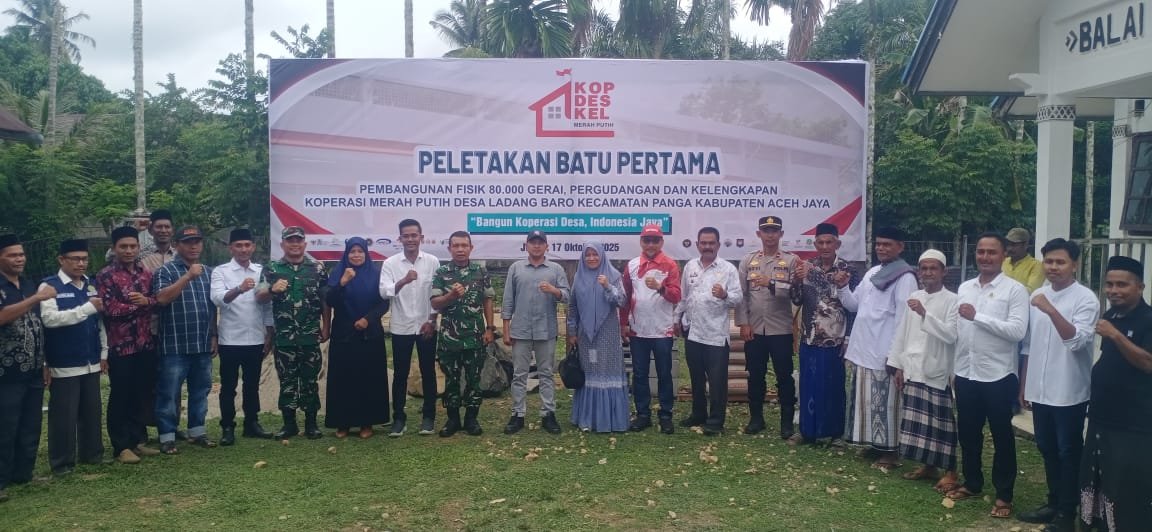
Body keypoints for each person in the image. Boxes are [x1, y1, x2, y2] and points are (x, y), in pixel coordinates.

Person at [1015, 238, 1098, 531]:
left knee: (1068, 451)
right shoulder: (1039, 294)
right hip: (1040, 388)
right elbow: (1028, 345)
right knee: (1046, 447)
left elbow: (1076, 342)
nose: (1053, 267)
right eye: (1048, 261)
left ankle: (1067, 512)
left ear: (1074, 264)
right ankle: (1053, 502)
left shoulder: (1086, 299)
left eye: (1060, 262)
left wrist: (1050, 310)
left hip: (1069, 391)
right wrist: (1024, 385)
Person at [946, 232, 1029, 520]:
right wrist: (955, 368)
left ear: (1004, 254)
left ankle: (1004, 494)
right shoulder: (965, 287)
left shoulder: (1015, 290)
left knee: (1002, 436)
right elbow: (959, 332)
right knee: (968, 433)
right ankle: (972, 482)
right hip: (966, 373)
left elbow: (1017, 331)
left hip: (998, 375)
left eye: (991, 252)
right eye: (981, 251)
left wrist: (977, 316)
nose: (985, 257)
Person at [1080, 256, 1152, 532]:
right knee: (1099, 479)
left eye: (1122, 285)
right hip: (1102, 415)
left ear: (1140, 287)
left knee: (1128, 486)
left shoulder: (1147, 319)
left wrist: (1116, 335)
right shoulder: (1111, 316)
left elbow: (1147, 363)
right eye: (1109, 284)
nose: (1113, 290)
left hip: (1132, 422)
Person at [837, 226, 918, 467]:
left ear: (900, 247)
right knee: (867, 402)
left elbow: (904, 320)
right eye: (879, 244)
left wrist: (896, 356)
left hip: (884, 353)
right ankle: (874, 445)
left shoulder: (905, 277)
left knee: (887, 404)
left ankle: (891, 452)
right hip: (864, 348)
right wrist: (842, 287)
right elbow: (853, 305)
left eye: (887, 244)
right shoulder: (873, 272)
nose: (881, 248)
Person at [888, 250, 960, 493]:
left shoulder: (952, 300)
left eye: (933, 268)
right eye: (924, 268)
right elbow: (902, 331)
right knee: (920, 423)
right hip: (913, 366)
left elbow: (951, 335)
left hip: (937, 368)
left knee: (941, 423)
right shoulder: (915, 296)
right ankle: (928, 466)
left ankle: (950, 471)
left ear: (943, 272)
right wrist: (897, 364)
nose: (928, 273)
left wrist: (924, 314)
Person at [41, 239, 108, 476]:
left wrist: (104, 352)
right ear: (62, 260)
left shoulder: (90, 285)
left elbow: (99, 322)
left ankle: (92, 454)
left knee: (92, 411)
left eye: (84, 259)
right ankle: (62, 463)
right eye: (75, 259)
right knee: (64, 415)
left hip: (90, 359)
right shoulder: (50, 286)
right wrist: (86, 309)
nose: (81, 263)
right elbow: (49, 320)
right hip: (64, 361)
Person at [257, 226, 331, 440]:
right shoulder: (272, 268)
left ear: (305, 244)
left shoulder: (317, 268)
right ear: (283, 244)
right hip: (284, 338)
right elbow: (259, 296)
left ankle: (311, 424)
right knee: (287, 381)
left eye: (298, 240)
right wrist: (272, 290)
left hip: (310, 337)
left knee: (310, 381)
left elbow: (325, 300)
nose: (295, 244)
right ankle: (289, 424)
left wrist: (327, 326)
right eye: (290, 240)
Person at [96, 226, 161, 464]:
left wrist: (147, 302)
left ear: (139, 247)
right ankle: (121, 446)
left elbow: (156, 301)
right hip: (120, 345)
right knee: (121, 394)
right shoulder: (106, 275)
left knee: (141, 393)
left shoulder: (146, 274)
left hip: (144, 343)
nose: (128, 250)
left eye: (133, 246)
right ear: (114, 248)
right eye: (123, 246)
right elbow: (110, 309)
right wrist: (141, 305)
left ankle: (137, 440)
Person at [790, 222, 859, 443]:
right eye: (820, 242)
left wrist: (848, 338)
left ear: (837, 243)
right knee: (808, 383)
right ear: (815, 244)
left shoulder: (848, 270)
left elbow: (855, 307)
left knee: (833, 385)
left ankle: (835, 433)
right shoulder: (807, 266)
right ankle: (807, 431)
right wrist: (796, 280)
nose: (825, 246)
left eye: (829, 242)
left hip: (835, 339)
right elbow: (796, 300)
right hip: (810, 337)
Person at [152, 226, 217, 454]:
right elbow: (161, 298)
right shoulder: (165, 271)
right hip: (174, 345)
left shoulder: (208, 272)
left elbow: (212, 307)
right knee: (169, 393)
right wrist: (188, 276)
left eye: (197, 241)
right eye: (188, 242)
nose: (193, 246)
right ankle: (167, 436)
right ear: (176, 245)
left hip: (201, 343)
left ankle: (197, 431)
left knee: (200, 391)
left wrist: (214, 335)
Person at [0, 234, 54, 503]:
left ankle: (24, 472)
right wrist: (36, 298)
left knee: (31, 423)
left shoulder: (28, 284)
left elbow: (37, 325)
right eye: (12, 255)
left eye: (21, 254)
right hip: (6, 372)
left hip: (32, 367)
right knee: (5, 426)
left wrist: (44, 362)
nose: (19, 259)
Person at [736, 216, 800, 437]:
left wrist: (772, 283)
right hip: (755, 329)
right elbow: (742, 295)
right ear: (759, 234)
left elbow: (795, 292)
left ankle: (786, 422)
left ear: (781, 234)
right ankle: (756, 418)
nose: (770, 235)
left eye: (774, 231)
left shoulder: (791, 261)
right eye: (766, 231)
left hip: (781, 329)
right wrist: (743, 323)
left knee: (784, 376)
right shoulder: (749, 260)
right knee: (755, 375)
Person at [210, 228, 274, 445]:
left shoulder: (261, 271)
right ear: (231, 248)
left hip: (255, 337)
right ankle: (227, 426)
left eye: (247, 245)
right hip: (230, 339)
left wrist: (269, 333)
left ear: (253, 247)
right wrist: (239, 288)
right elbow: (218, 299)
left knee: (252, 385)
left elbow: (266, 305)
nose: (243, 249)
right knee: (228, 386)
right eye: (239, 245)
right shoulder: (221, 271)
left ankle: (251, 423)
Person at [675, 227, 742, 435]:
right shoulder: (690, 266)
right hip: (692, 331)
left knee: (717, 381)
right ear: (697, 245)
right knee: (696, 377)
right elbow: (684, 297)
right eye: (703, 243)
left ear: (718, 245)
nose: (707, 247)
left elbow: (738, 298)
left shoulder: (728, 269)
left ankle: (715, 421)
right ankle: (698, 414)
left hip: (715, 334)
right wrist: (676, 318)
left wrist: (724, 295)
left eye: (711, 243)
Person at [502, 229, 570, 435]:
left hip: (546, 330)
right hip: (520, 330)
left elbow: (567, 296)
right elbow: (508, 300)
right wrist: (506, 328)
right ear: (527, 245)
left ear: (547, 246)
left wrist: (554, 290)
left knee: (546, 373)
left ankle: (548, 413)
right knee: (519, 374)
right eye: (533, 242)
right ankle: (518, 414)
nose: (537, 245)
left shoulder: (556, 269)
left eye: (541, 242)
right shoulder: (516, 268)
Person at [430, 231, 495, 437]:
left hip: (475, 337)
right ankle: (453, 419)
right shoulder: (442, 273)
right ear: (449, 248)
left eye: (464, 245)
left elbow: (488, 300)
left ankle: (471, 419)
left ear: (471, 248)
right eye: (456, 246)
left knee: (474, 379)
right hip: (450, 338)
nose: (460, 249)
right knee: (452, 379)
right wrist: (450, 295)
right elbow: (435, 303)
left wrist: (490, 328)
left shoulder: (480, 271)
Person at [325, 237, 391, 439]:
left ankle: (366, 423)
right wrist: (342, 283)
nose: (356, 255)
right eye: (352, 251)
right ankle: (342, 423)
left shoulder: (376, 274)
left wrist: (367, 319)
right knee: (343, 378)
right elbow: (329, 300)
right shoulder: (338, 273)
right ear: (346, 254)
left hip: (369, 333)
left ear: (366, 253)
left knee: (368, 377)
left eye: (360, 251)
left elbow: (384, 303)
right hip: (344, 334)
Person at [379, 218, 440, 437]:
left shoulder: (432, 261)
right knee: (400, 374)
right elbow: (384, 292)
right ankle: (399, 418)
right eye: (406, 236)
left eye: (414, 235)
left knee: (428, 371)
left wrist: (432, 320)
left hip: (426, 325)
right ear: (400, 238)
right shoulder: (390, 263)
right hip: (401, 326)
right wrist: (403, 281)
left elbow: (437, 294)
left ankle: (428, 417)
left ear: (421, 237)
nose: (410, 239)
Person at [622, 223, 682, 434]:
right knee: (639, 374)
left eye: (655, 240)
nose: (650, 244)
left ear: (661, 242)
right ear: (641, 242)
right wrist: (623, 323)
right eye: (647, 240)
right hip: (638, 329)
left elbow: (676, 296)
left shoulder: (670, 265)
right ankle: (643, 414)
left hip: (662, 329)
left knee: (664, 373)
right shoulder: (632, 265)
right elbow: (625, 297)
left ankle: (665, 415)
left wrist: (660, 288)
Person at [567, 243, 631, 433]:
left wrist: (608, 286)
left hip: (608, 333)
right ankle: (588, 418)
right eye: (588, 255)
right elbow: (573, 306)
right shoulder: (578, 277)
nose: (592, 258)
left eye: (595, 254)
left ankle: (611, 419)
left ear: (602, 256)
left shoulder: (614, 275)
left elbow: (622, 301)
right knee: (589, 372)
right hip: (586, 335)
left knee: (607, 370)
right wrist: (572, 331)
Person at [1002, 228, 1044, 294]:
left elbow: (1030, 291)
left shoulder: (1036, 266)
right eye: (1008, 244)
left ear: (1025, 245)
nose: (1009, 248)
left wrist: (1001, 291)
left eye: (1014, 245)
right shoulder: (1003, 261)